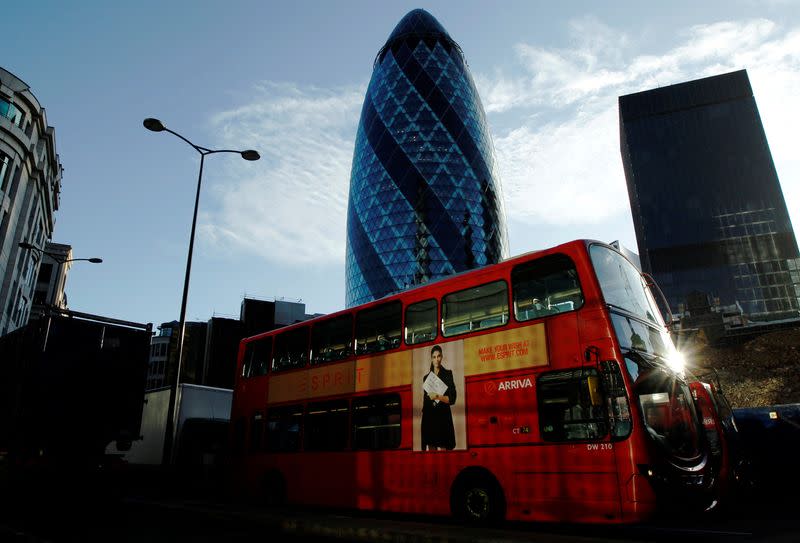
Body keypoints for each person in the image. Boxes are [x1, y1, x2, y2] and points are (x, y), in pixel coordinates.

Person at [421, 345, 457, 450]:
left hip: (443, 418)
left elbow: (452, 398)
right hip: (430, 419)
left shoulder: (447, 374)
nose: (436, 359)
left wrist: (437, 396)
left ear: (442, 357)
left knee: (443, 452)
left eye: (438, 356)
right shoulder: (426, 378)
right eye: (434, 357)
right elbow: (425, 403)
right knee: (431, 452)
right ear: (431, 358)